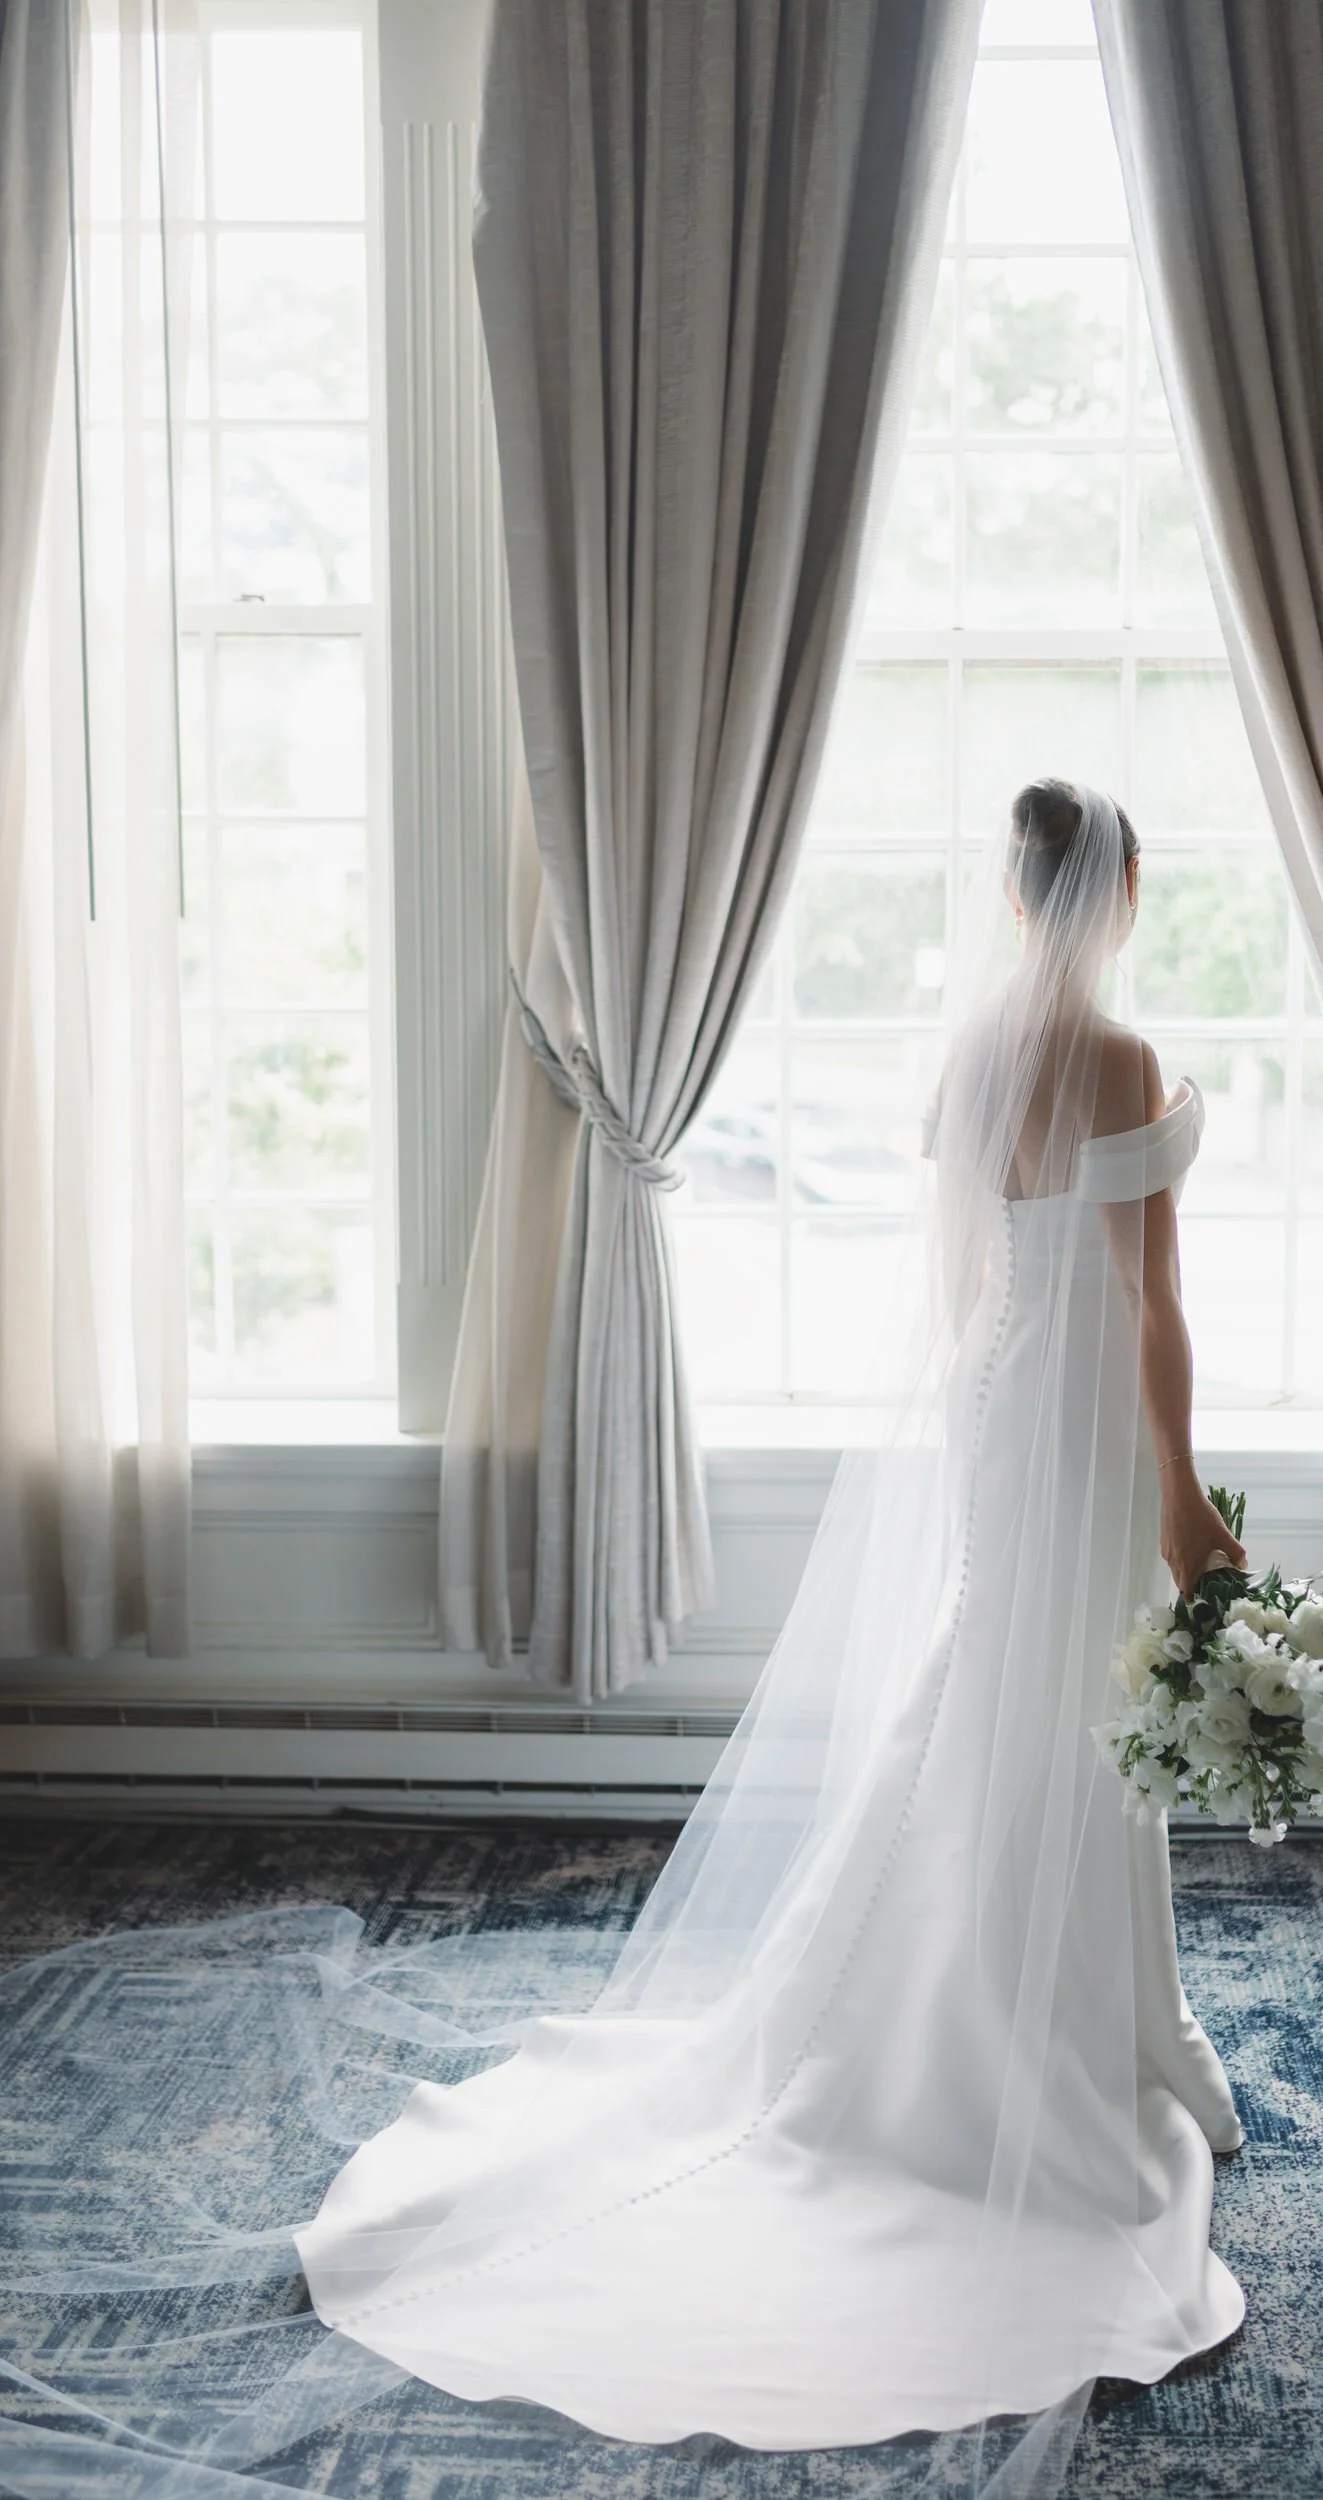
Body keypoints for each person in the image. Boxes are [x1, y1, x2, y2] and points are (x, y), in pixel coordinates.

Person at [293, 780, 1251, 2497]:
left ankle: (1079, 2011)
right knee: (1071, 1705)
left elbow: (980, 1278)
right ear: (1105, 898)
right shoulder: (1112, 1055)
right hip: (1084, 1414)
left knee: (999, 1683)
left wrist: (1005, 1410)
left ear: (1013, 896)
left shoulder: (967, 1055)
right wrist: (1181, 1502)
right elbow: (1150, 1301)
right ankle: (1064, 2037)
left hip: (998, 1396)